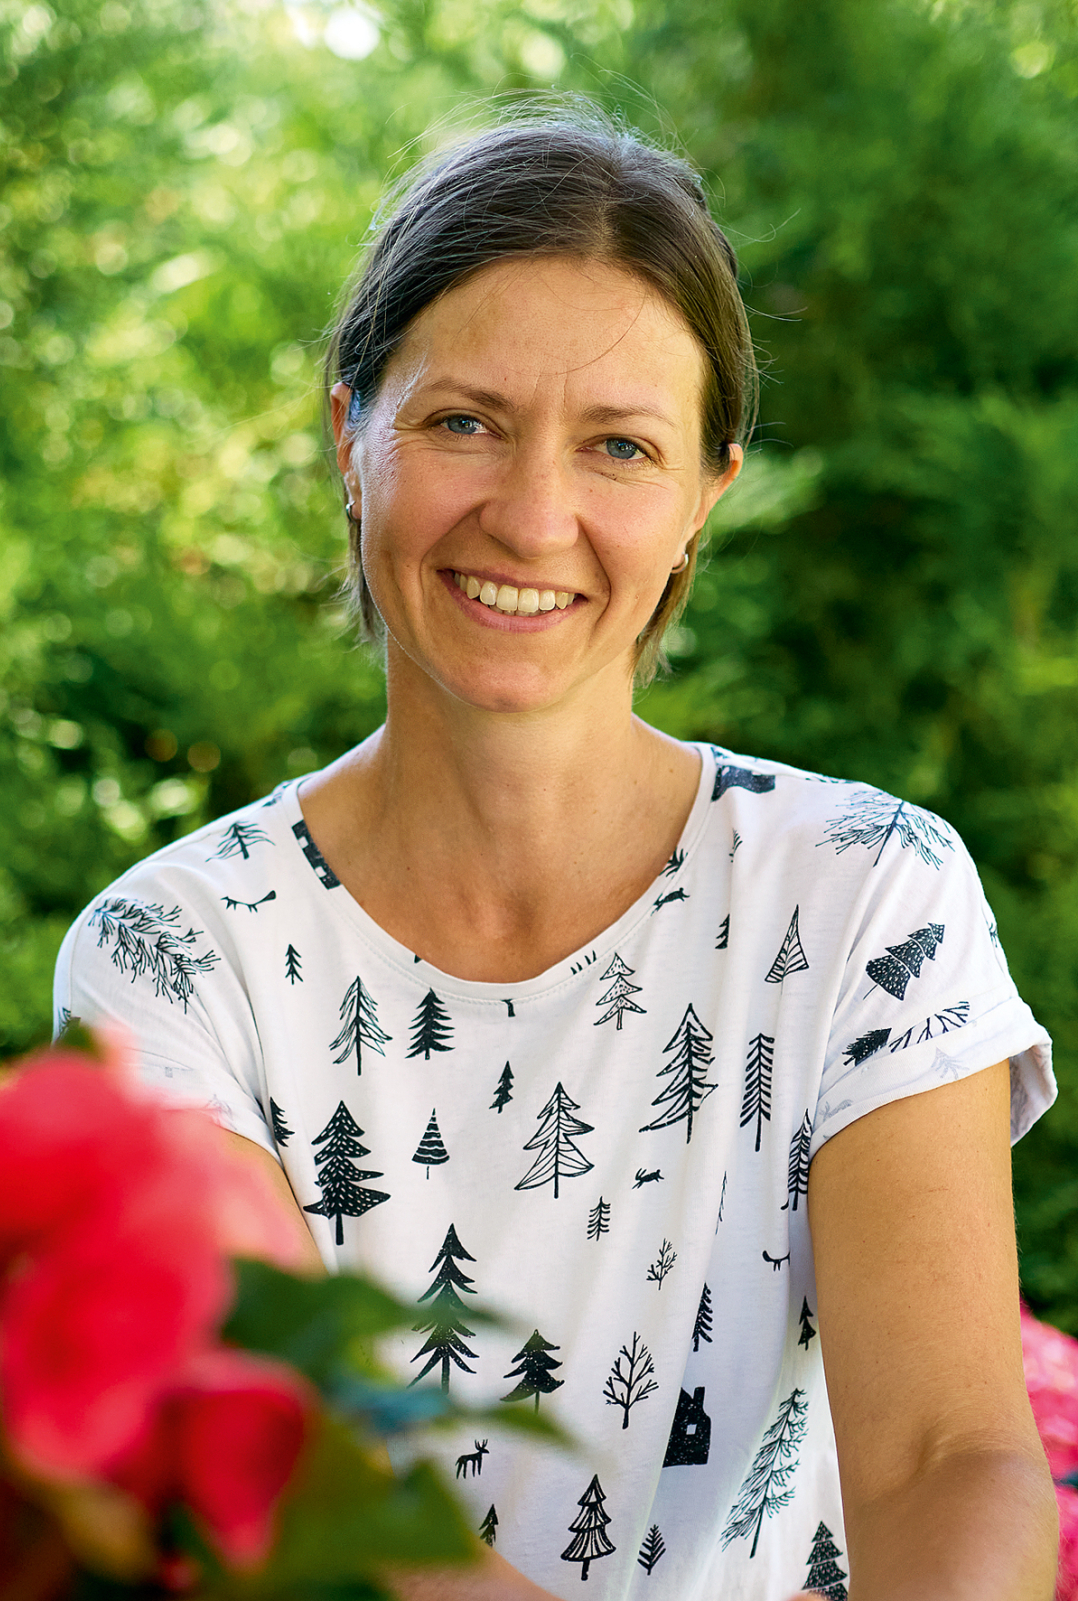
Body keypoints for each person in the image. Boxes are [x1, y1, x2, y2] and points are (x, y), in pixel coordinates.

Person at [54, 110, 1060, 1600]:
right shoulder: (172, 956)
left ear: (705, 496)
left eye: (620, 447)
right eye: (463, 422)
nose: (532, 518)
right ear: (350, 437)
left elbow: (945, 1456)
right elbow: (325, 1515)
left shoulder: (869, 894)